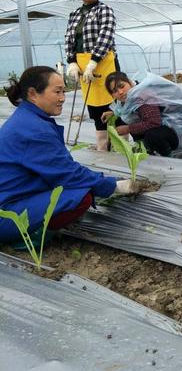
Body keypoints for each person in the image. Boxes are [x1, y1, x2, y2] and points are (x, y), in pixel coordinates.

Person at [0, 67, 137, 244]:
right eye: (57, 92)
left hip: (15, 194)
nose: (63, 98)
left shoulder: (27, 118)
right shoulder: (34, 129)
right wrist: (115, 186)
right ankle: (29, 239)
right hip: (6, 211)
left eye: (64, 91)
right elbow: (68, 174)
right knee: (80, 196)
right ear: (33, 94)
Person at [64, 0, 118, 151]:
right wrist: (71, 62)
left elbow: (105, 36)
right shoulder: (74, 14)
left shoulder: (104, 10)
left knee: (111, 102)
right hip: (82, 64)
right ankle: (103, 146)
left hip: (103, 62)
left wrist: (93, 62)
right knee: (94, 106)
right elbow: (69, 39)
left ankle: (119, 144)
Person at [102, 71, 182, 157]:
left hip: (180, 130)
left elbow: (154, 122)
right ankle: (149, 150)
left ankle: (167, 156)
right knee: (133, 123)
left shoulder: (142, 96)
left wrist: (128, 128)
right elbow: (125, 110)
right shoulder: (128, 98)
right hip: (166, 128)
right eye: (114, 91)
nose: (120, 92)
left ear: (130, 83)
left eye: (121, 86)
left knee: (152, 136)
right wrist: (113, 113)